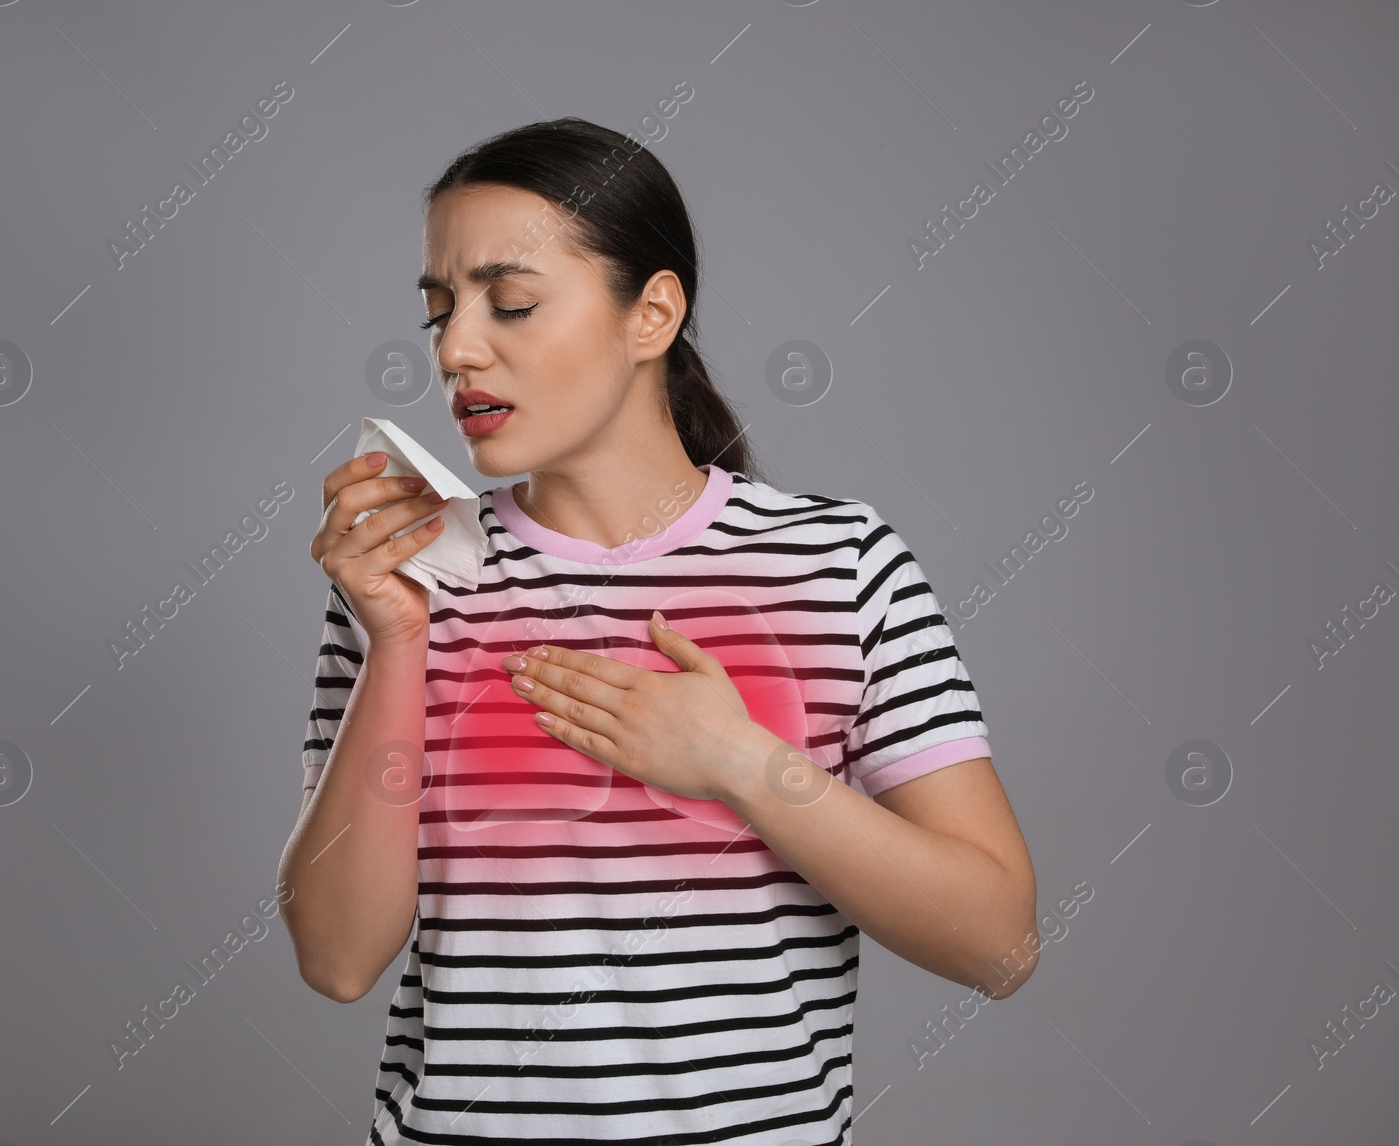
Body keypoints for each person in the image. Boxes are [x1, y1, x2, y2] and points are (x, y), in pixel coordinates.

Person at [278, 117, 1036, 1145]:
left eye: (511, 303)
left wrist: (739, 763)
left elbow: (999, 946)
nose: (457, 347)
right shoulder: (404, 581)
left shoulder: (837, 564)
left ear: (653, 314)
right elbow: (336, 959)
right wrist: (400, 642)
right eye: (440, 310)